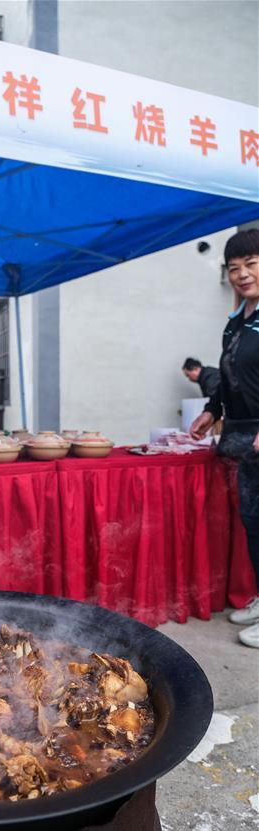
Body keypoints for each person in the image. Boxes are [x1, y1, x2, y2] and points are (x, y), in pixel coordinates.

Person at [190, 229, 259, 649]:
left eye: (251, 264)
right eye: (234, 268)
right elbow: (232, 379)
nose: (242, 274)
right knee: (254, 522)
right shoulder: (238, 321)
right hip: (243, 436)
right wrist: (211, 410)